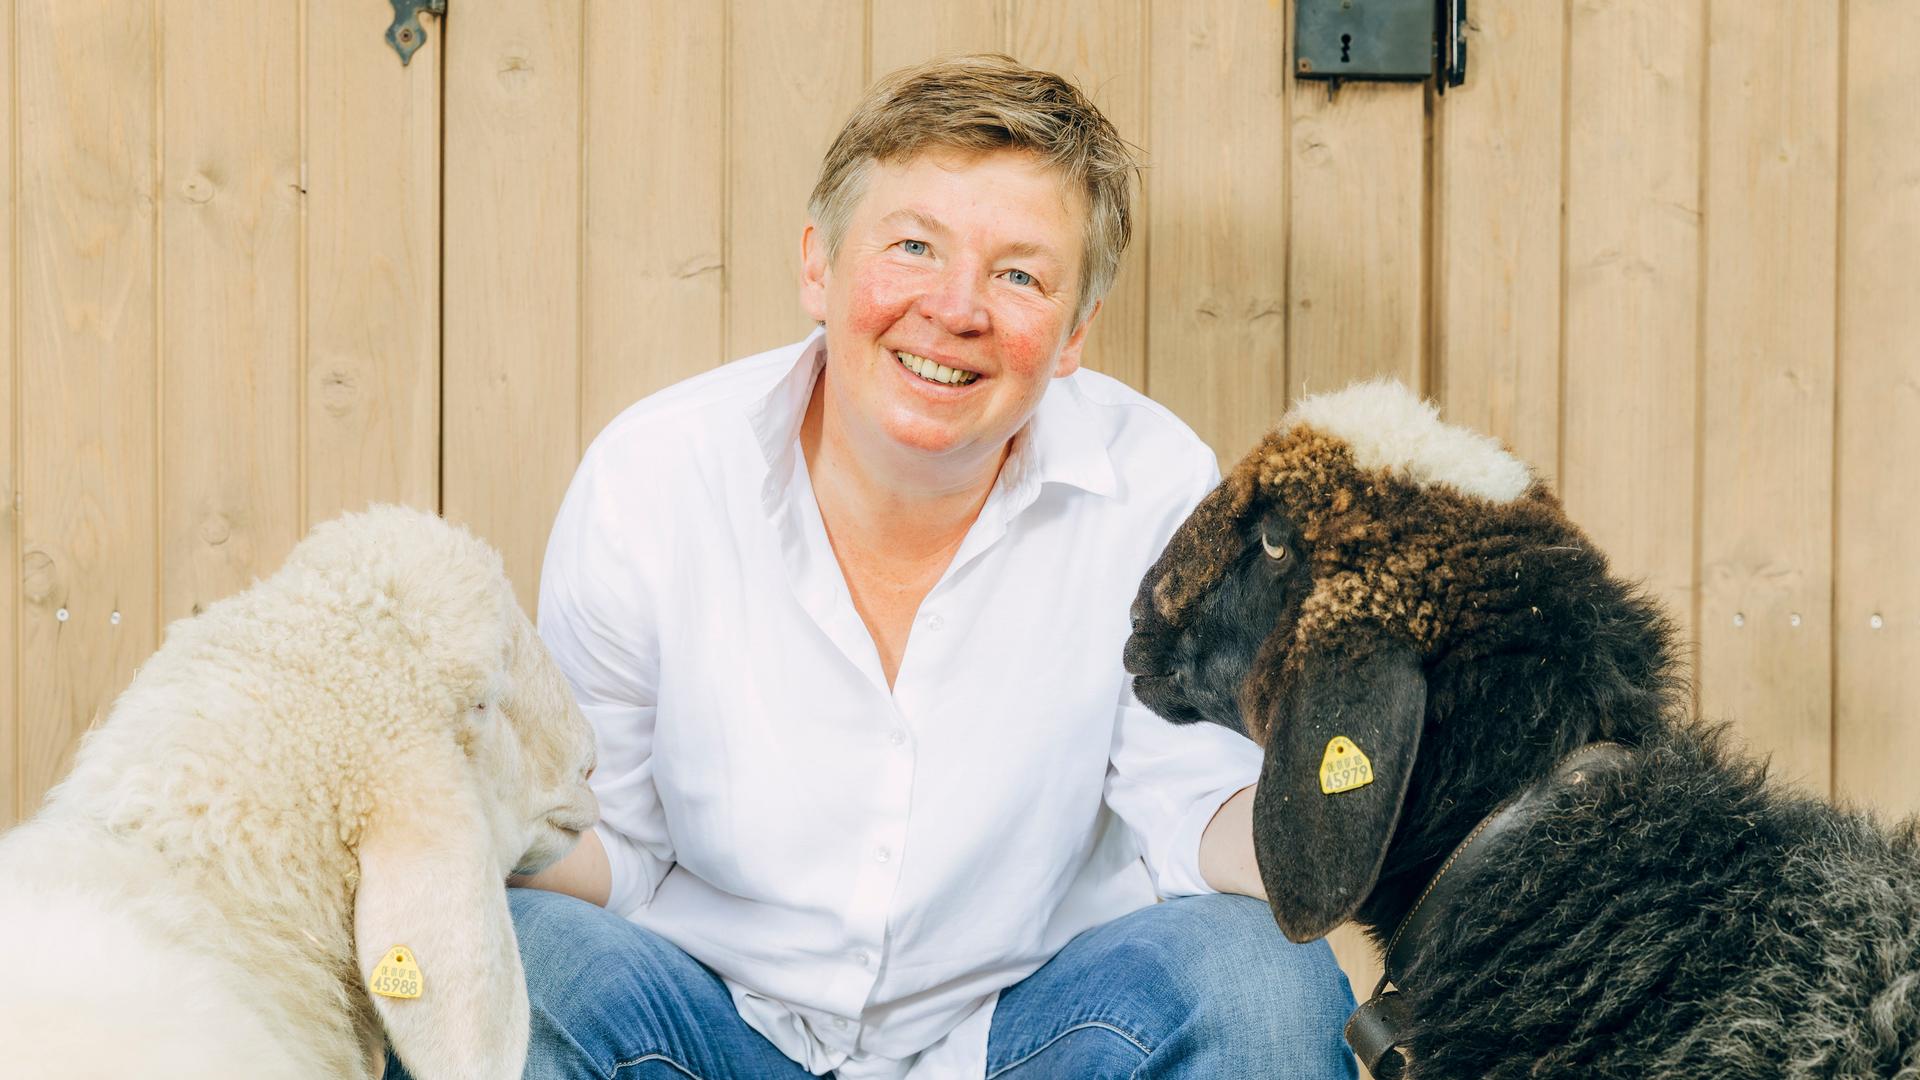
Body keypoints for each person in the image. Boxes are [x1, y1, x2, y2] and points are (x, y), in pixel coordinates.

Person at [478, 54, 1357, 1080]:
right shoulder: (652, 478)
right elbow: (613, 844)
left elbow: (1188, 811)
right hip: (714, 1031)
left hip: (1019, 1039)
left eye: (1020, 274)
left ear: (1074, 334)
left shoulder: (1155, 482)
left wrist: (1369, 805)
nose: (956, 309)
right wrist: (455, 817)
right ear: (819, 266)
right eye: (912, 246)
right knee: (518, 962)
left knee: (1260, 978)